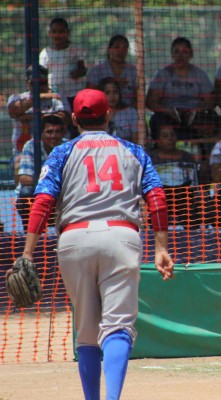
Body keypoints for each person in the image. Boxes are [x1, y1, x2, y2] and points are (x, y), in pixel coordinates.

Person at [16, 88, 174, 399]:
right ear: (109, 115)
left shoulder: (61, 152)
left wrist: (27, 253)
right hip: (121, 237)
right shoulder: (134, 150)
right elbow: (156, 197)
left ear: (74, 118)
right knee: (118, 327)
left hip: (74, 240)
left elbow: (43, 201)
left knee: (86, 332)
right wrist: (161, 247)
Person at [146, 37, 214, 140]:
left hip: (195, 116)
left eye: (185, 52)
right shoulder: (163, 74)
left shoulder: (200, 75)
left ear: (191, 54)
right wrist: (168, 111)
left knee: (212, 118)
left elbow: (211, 101)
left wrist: (196, 111)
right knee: (157, 120)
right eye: (177, 52)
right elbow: (150, 102)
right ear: (172, 55)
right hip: (168, 116)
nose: (180, 56)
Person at [149, 113, 202, 229]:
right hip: (160, 200)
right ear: (157, 140)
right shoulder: (151, 158)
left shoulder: (187, 157)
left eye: (172, 135)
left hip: (184, 200)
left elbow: (194, 185)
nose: (170, 139)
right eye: (165, 136)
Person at [14, 114, 67, 229]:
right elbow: (25, 179)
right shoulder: (31, 145)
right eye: (49, 132)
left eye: (57, 131)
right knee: (26, 192)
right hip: (38, 195)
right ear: (41, 133)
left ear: (63, 133)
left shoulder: (68, 146)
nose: (54, 136)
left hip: (60, 195)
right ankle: (30, 230)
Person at [7, 66, 67, 157]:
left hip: (54, 150)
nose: (38, 86)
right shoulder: (17, 97)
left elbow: (64, 118)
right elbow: (13, 111)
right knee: (18, 163)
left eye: (42, 82)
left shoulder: (56, 97)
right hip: (23, 151)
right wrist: (41, 96)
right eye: (34, 83)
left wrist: (31, 116)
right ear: (27, 82)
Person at [39, 17, 87, 111]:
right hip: (55, 95)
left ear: (67, 33)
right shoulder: (44, 53)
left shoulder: (75, 50)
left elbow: (83, 69)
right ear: (50, 33)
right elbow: (42, 76)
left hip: (74, 94)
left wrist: (78, 72)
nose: (58, 35)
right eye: (54, 31)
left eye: (61, 31)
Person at [87, 34, 138, 107]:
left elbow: (139, 97)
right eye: (116, 47)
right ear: (109, 49)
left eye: (124, 48)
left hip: (128, 112)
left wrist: (126, 110)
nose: (120, 51)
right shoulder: (97, 70)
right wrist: (114, 85)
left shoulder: (133, 71)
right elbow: (89, 95)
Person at [99, 77, 138, 143]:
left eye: (115, 92)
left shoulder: (131, 112)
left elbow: (136, 140)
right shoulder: (97, 114)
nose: (112, 96)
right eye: (107, 93)